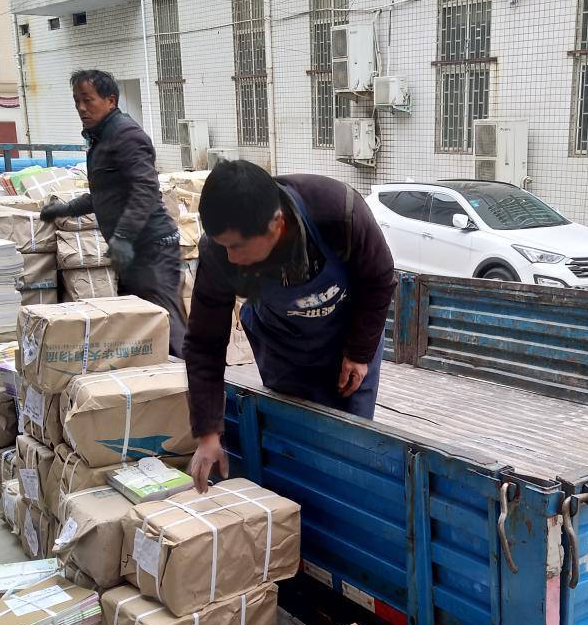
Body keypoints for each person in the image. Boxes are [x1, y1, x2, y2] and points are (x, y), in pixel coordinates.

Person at [184, 160, 397, 492]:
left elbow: (380, 278)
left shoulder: (339, 212)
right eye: (224, 246)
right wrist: (208, 432)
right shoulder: (218, 254)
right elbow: (204, 343)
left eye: (237, 246)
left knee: (349, 445)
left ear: (277, 224)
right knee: (292, 441)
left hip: (347, 337)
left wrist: (359, 353)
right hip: (281, 344)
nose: (231, 258)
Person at [40, 69, 186, 356]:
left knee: (163, 325)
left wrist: (123, 236)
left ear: (110, 100)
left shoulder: (126, 134)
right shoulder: (101, 138)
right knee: (139, 328)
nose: (81, 108)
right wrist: (68, 209)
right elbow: (107, 194)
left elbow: (145, 188)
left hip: (152, 250)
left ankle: (195, 381)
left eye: (88, 100)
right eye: (77, 101)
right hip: (131, 254)